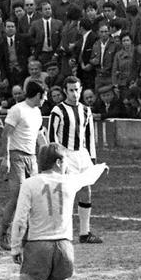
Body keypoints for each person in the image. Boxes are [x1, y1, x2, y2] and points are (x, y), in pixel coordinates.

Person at [9, 143, 108, 280]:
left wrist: (16, 246)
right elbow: (88, 177)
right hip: (64, 247)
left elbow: (20, 217)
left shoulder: (30, 183)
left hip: (38, 246)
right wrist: (102, 166)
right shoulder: (69, 181)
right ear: (59, 162)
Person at [46, 76, 103, 245]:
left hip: (82, 154)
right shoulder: (58, 111)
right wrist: (56, 156)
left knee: (86, 190)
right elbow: (52, 135)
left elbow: (90, 135)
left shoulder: (86, 110)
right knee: (66, 193)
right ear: (65, 91)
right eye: (71, 90)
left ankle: (85, 233)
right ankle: (61, 232)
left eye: (77, 89)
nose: (75, 93)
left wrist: (92, 159)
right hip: (66, 155)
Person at [0, 80, 48, 251]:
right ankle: (4, 233)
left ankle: (28, 234)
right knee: (18, 196)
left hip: (31, 158)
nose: (45, 100)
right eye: (45, 96)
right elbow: (6, 134)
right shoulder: (17, 110)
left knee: (33, 196)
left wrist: (47, 151)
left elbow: (38, 136)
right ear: (38, 95)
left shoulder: (37, 112)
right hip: (17, 156)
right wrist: (6, 158)